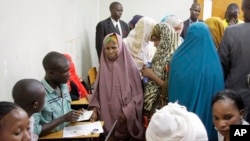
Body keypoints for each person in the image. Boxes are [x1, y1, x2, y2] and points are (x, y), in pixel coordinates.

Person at [168, 22, 224, 141]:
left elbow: (173, 89)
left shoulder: (177, 59)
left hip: (181, 120)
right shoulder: (214, 63)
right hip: (207, 120)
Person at [89, 33, 144, 141]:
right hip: (107, 120)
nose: (110, 51)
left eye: (114, 47)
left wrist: (127, 112)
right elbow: (97, 95)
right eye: (107, 48)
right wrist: (94, 110)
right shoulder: (103, 68)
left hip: (125, 120)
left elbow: (138, 96)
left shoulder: (131, 67)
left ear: (121, 47)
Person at [33, 51, 82, 136]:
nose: (69, 74)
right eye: (65, 72)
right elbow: (34, 131)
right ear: (51, 73)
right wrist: (63, 119)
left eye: (69, 70)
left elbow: (65, 111)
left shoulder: (64, 86)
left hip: (68, 133)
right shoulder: (38, 94)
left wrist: (74, 114)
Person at [142, 23, 180, 127]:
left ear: (165, 38)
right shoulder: (161, 55)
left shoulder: (173, 58)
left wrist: (151, 75)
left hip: (163, 106)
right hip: (154, 105)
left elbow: (170, 87)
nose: (154, 44)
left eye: (156, 40)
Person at [218, 0, 250, 122]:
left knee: (238, 134)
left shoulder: (231, 32)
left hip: (236, 101)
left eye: (243, 9)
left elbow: (222, 67)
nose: (242, 14)